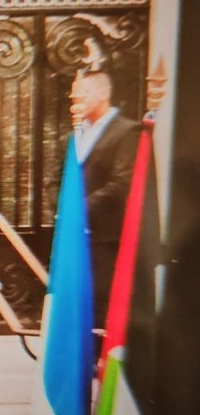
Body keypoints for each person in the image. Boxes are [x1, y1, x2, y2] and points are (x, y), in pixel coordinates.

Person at [70, 69, 141, 324]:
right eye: (74, 94)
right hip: (75, 234)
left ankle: (102, 363)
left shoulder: (126, 131)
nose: (76, 99)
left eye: (84, 93)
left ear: (103, 93)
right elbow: (56, 178)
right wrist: (64, 209)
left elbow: (122, 183)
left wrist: (80, 209)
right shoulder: (75, 133)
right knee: (77, 303)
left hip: (106, 237)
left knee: (102, 303)